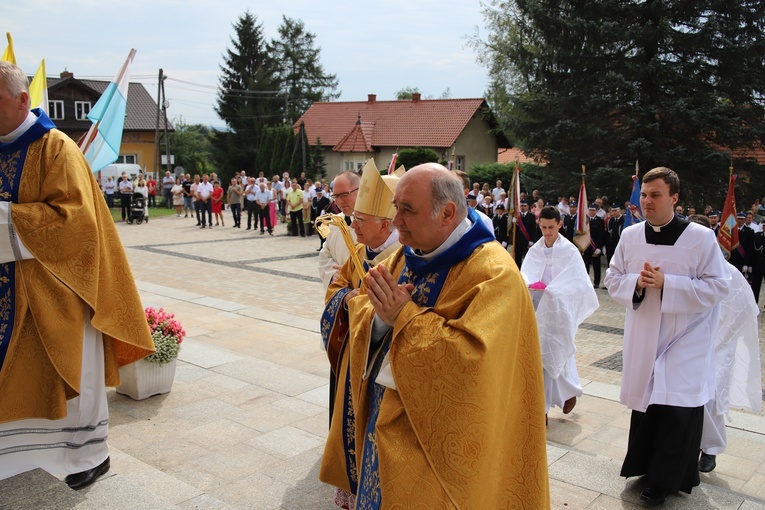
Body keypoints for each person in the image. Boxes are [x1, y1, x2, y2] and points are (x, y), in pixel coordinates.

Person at [346, 163, 549, 508]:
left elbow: (473, 362)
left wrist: (403, 315)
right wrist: (380, 319)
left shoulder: (493, 275)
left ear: (447, 213)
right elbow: (369, 313)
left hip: (441, 447)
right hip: (383, 424)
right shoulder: (404, 257)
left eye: (407, 210)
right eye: (396, 208)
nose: (395, 222)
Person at [0, 61, 154, 487]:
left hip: (60, 289)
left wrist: (3, 219)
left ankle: (86, 456)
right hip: (9, 288)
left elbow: (75, 222)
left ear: (21, 100)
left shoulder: (56, 149)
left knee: (72, 376)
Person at [604, 167, 729, 506]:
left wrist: (668, 284)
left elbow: (719, 286)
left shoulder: (701, 238)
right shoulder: (630, 237)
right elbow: (612, 277)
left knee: (675, 406)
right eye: (644, 194)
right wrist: (636, 284)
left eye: (655, 194)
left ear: (674, 198)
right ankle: (645, 466)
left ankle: (666, 480)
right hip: (645, 334)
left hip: (685, 337)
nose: (646, 201)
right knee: (648, 404)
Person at [319, 163, 402, 509]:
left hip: (384, 368)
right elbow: (338, 286)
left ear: (385, 224)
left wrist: (360, 304)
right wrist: (346, 299)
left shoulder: (401, 258)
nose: (351, 224)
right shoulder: (360, 253)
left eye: (360, 220)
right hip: (354, 357)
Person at [685, 215, 761, 474]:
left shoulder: (730, 273)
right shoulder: (685, 267)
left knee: (712, 398)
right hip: (690, 345)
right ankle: (690, 444)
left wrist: (722, 336)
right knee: (689, 397)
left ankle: (711, 449)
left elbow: (746, 309)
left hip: (720, 346)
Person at [521, 206, 598, 419]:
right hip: (537, 310)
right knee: (537, 357)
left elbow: (578, 283)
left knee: (557, 350)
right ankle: (542, 408)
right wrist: (528, 285)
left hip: (558, 311)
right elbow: (525, 274)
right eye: (544, 227)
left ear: (560, 225)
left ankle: (567, 392)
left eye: (551, 228)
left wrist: (554, 292)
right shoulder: (535, 250)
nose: (547, 232)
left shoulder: (569, 251)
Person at [317, 171, 358, 286]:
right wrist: (333, 273)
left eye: (344, 195)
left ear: (360, 191)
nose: (339, 201)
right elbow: (324, 257)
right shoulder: (335, 223)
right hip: (341, 293)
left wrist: (353, 274)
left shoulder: (374, 223)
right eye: (335, 196)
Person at [583, 204, 606, 288]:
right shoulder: (585, 221)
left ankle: (596, 282)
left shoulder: (600, 220)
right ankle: (586, 281)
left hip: (595, 246)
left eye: (593, 210)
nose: (591, 212)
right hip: (586, 246)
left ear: (596, 211)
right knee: (585, 265)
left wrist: (599, 247)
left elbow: (601, 235)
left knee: (596, 266)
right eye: (590, 210)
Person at [513, 199, 537, 267]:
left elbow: (533, 229)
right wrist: (513, 223)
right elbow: (514, 230)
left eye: (524, 206)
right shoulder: (517, 216)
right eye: (521, 206)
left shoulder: (531, 216)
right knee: (518, 258)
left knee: (527, 258)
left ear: (528, 207)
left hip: (527, 241)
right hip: (518, 241)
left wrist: (532, 240)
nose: (523, 207)